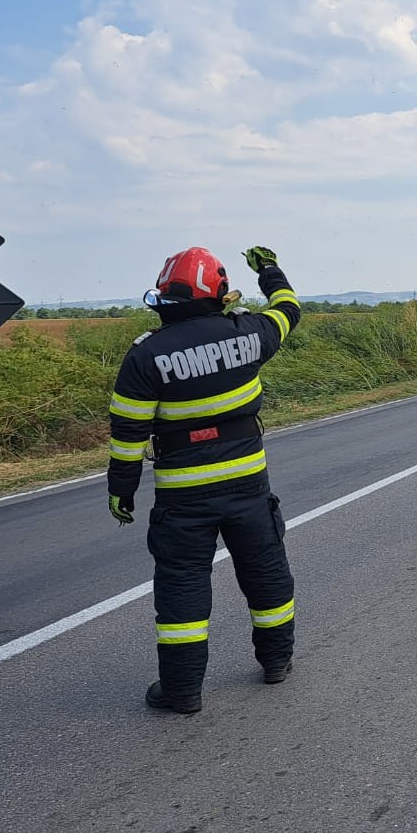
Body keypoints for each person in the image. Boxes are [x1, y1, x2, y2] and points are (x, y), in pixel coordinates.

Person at [106, 245, 303, 714]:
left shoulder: (146, 355)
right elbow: (289, 309)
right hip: (248, 486)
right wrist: (269, 269)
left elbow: (127, 435)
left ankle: (182, 691)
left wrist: (121, 491)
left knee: (182, 585)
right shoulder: (250, 333)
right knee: (265, 571)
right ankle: (276, 661)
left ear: (165, 295)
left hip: (183, 496)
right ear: (220, 293)